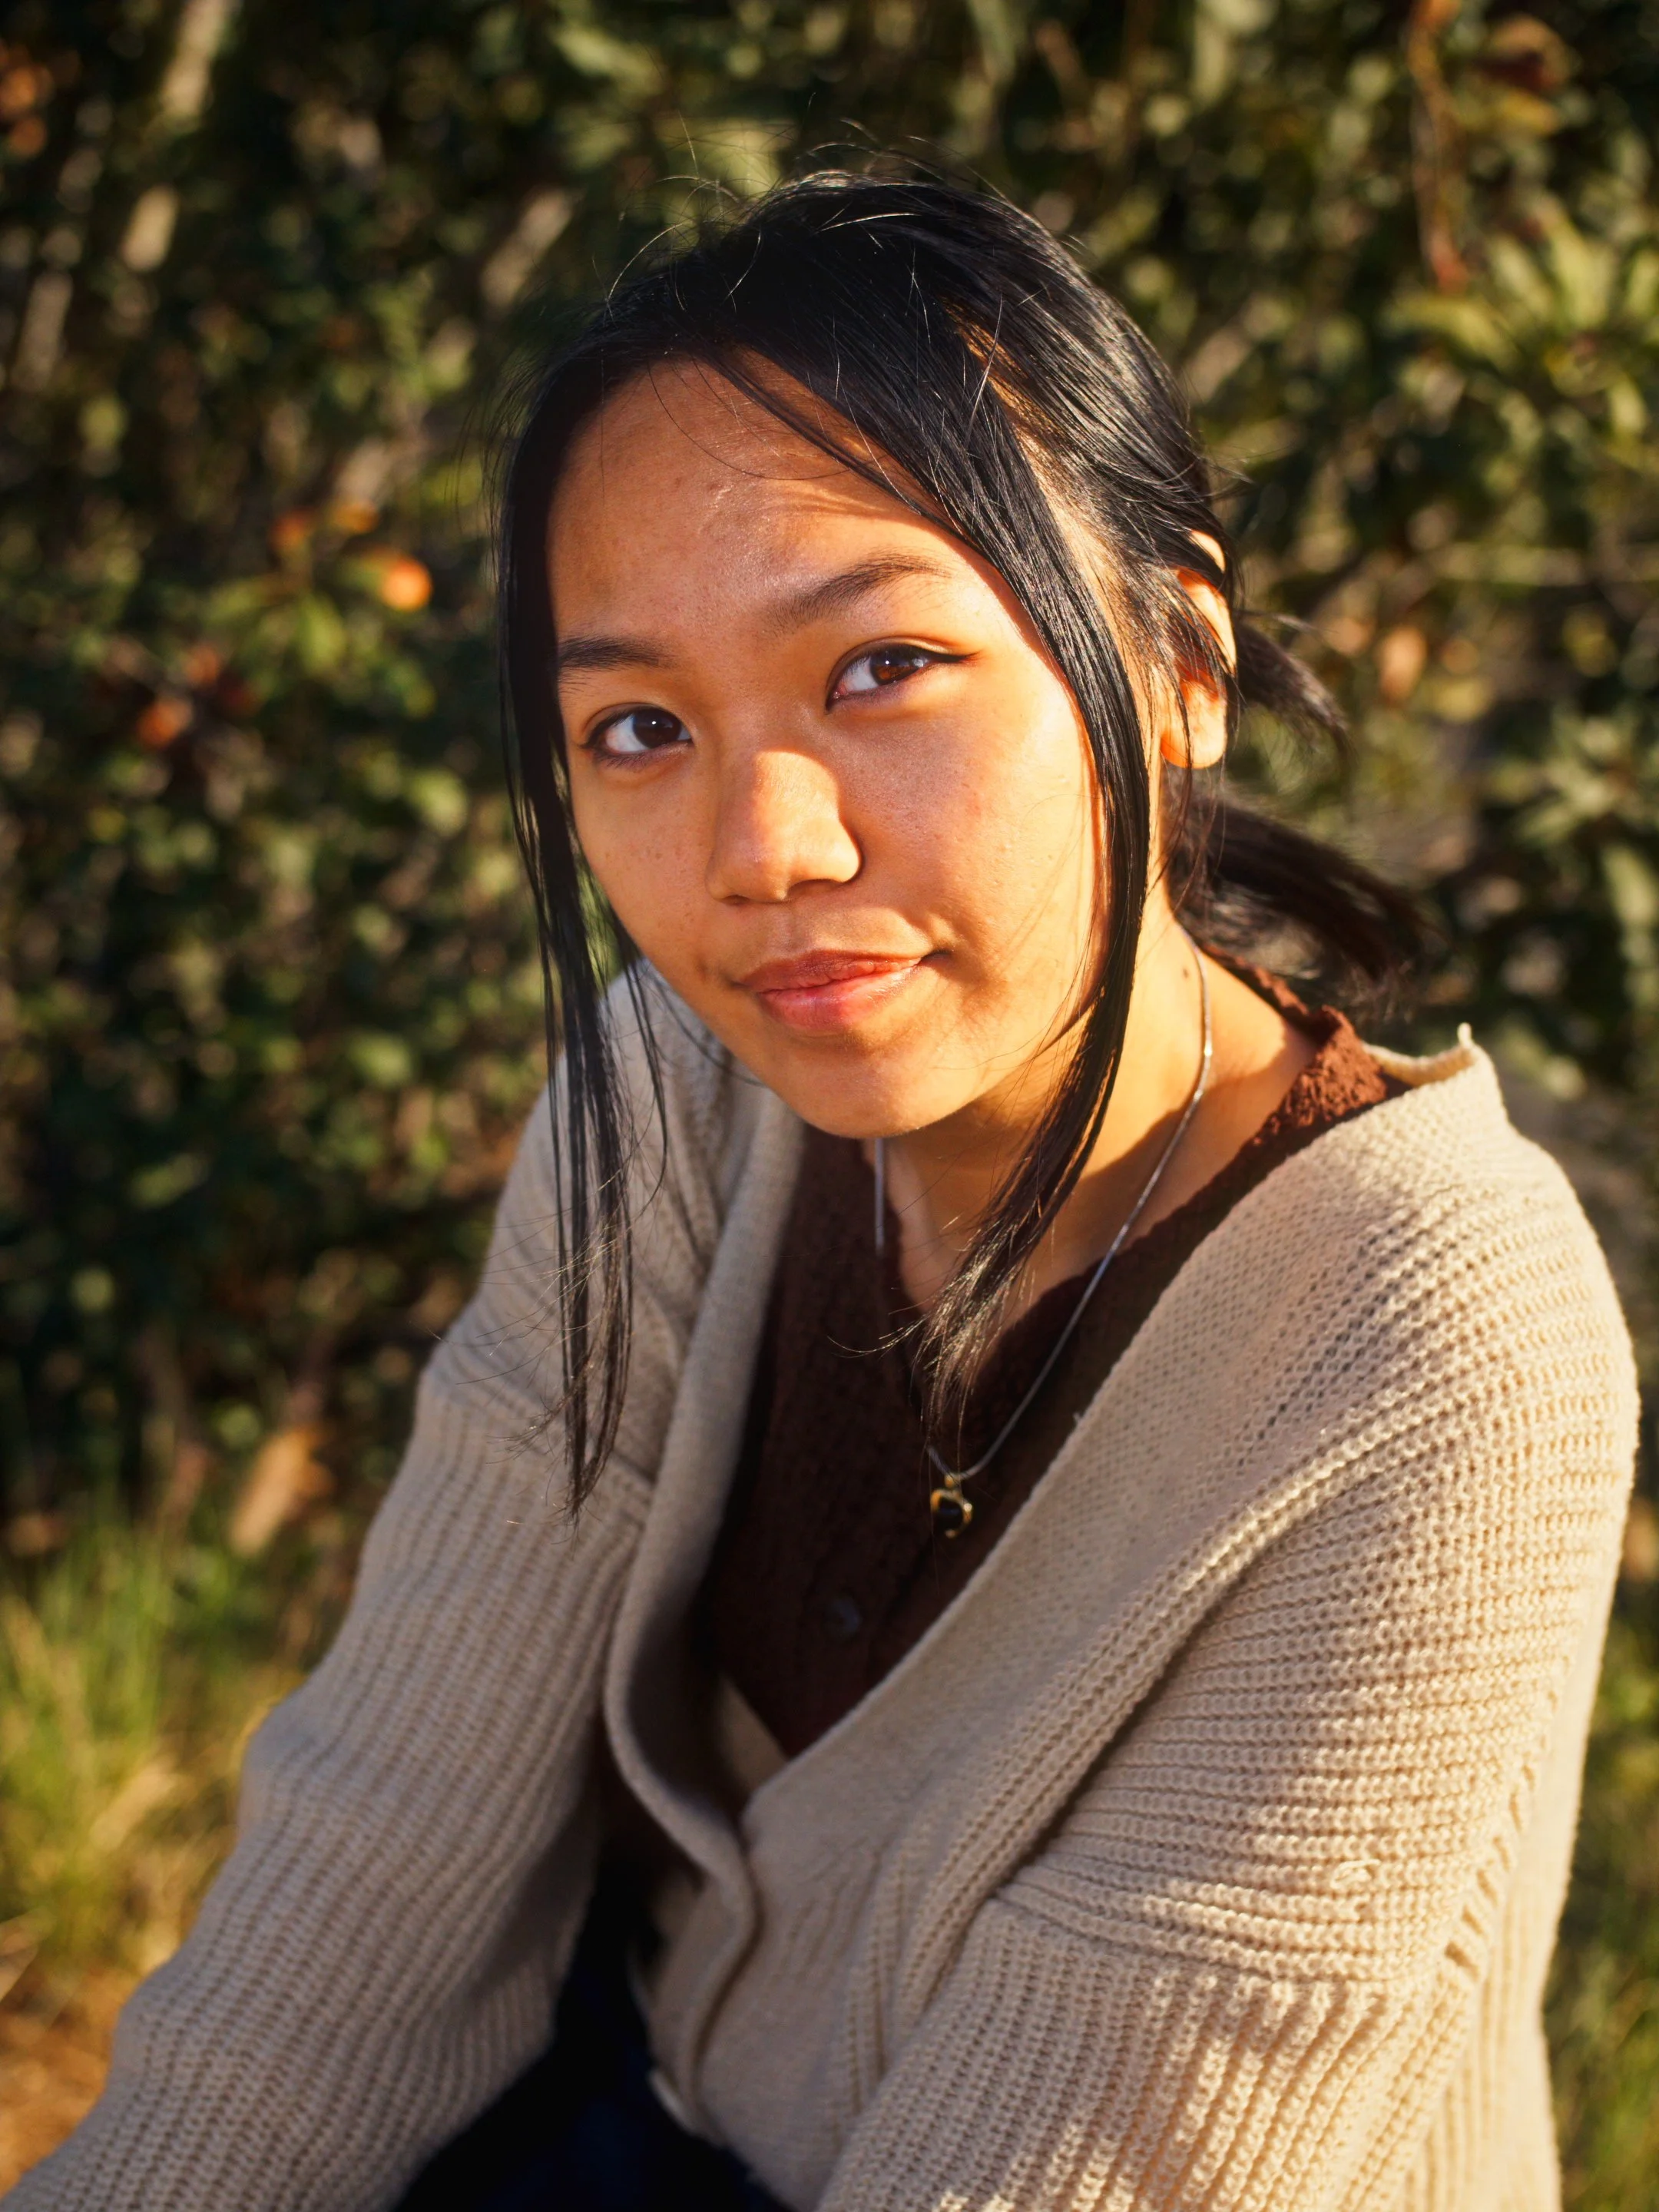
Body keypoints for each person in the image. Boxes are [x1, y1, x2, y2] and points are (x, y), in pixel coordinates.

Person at [10, 171, 1635, 2212]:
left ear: (1179, 668)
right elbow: (376, 1868)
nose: (762, 844)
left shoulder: (1432, 1336)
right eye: (641, 726)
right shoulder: (679, 1089)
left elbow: (1098, 2152)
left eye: (880, 668)